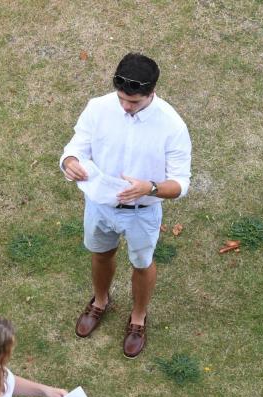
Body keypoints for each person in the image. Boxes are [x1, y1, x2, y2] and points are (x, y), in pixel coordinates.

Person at [60, 52, 192, 358]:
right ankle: (100, 301)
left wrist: (151, 188)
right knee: (100, 254)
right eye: (122, 98)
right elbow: (76, 147)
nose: (125, 106)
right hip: (99, 205)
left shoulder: (172, 126)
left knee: (142, 263)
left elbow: (181, 183)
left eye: (133, 102)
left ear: (152, 94)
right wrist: (69, 162)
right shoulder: (98, 108)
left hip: (142, 213)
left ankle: (138, 318)